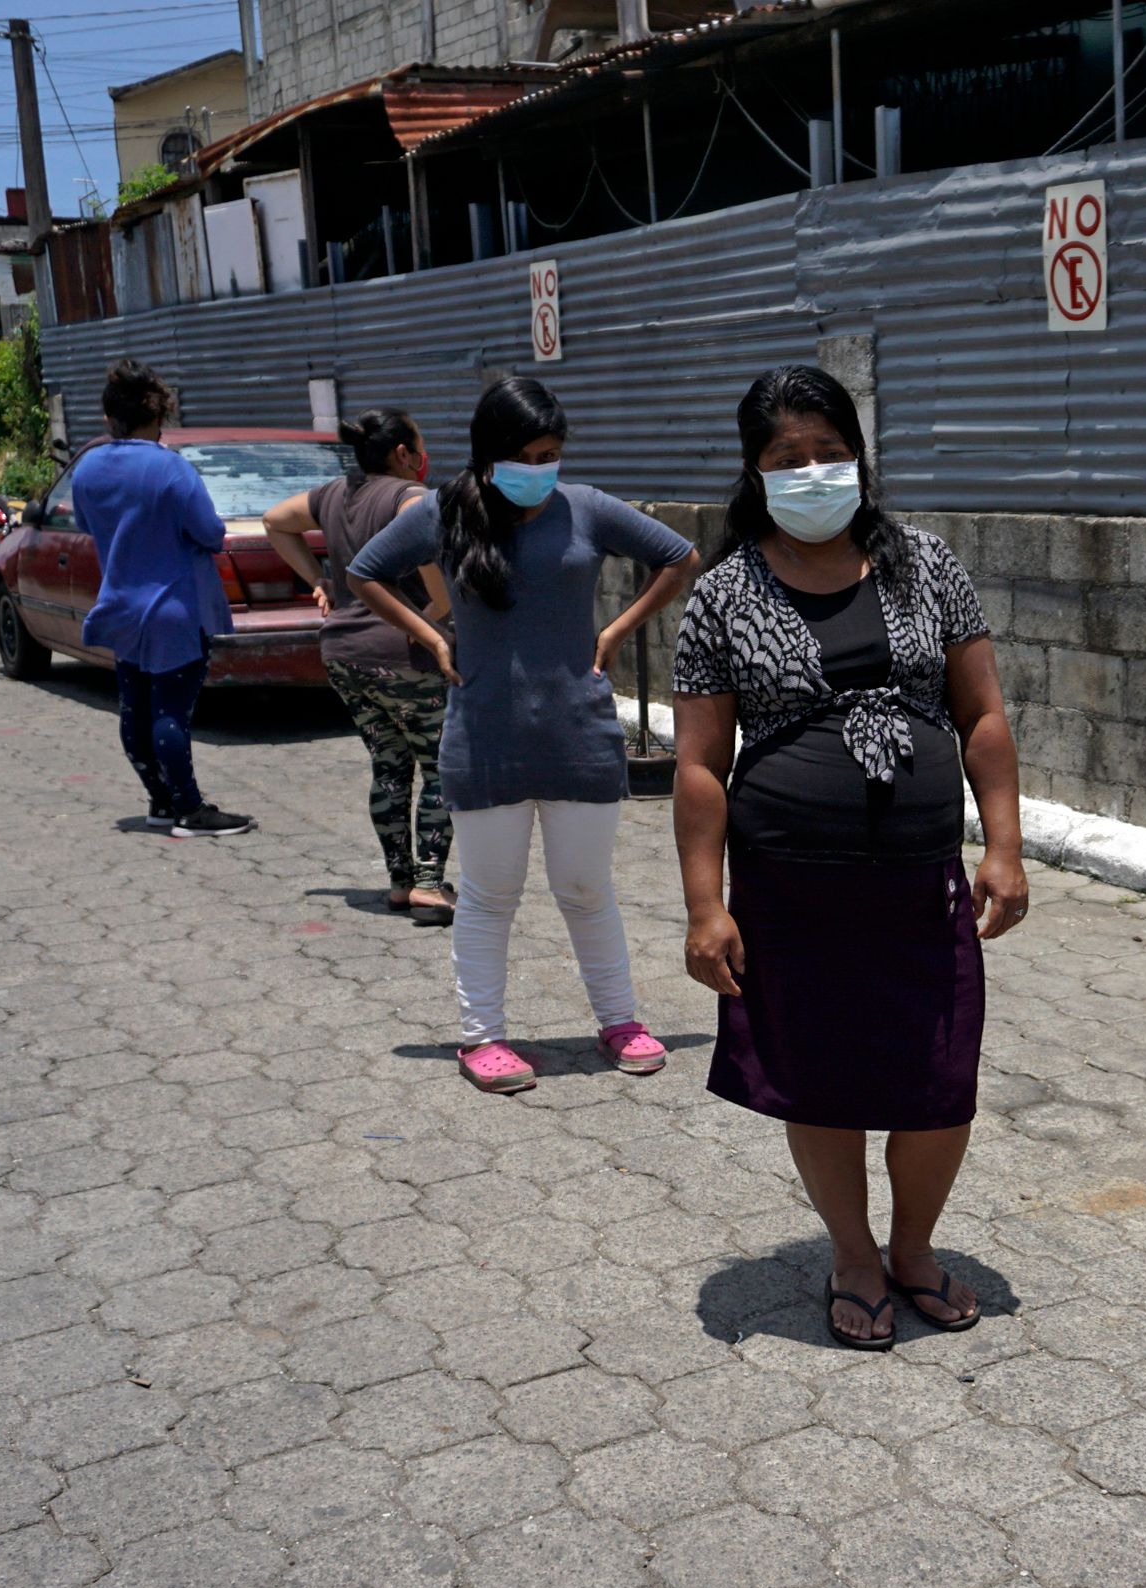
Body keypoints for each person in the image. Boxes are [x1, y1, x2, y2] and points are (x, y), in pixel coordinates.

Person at [668, 364, 1028, 1350]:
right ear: (755, 472)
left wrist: (1004, 844)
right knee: (819, 1078)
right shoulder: (723, 595)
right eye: (791, 458)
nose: (816, 472)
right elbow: (700, 766)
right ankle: (854, 1254)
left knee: (938, 1079)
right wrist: (706, 906)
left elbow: (983, 714)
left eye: (832, 452)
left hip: (920, 883)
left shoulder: (928, 567)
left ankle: (914, 1248)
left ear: (862, 457)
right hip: (791, 891)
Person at [346, 377, 698, 1093]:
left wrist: (619, 629)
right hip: (484, 737)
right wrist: (429, 637)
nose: (542, 467)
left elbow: (680, 557)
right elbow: (364, 573)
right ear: (491, 453)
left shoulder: (587, 508)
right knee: (488, 893)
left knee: (585, 888)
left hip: (579, 734)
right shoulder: (443, 512)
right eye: (529, 453)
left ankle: (620, 1020)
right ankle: (483, 1038)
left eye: (553, 453)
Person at [264, 410, 457, 919]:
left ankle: (399, 882)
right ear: (403, 454)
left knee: (389, 764)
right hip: (406, 656)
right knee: (442, 768)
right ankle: (431, 885)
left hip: (345, 657)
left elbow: (274, 522)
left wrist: (320, 580)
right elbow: (433, 571)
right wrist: (434, 618)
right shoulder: (409, 497)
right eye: (419, 445)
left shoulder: (332, 493)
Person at [66, 359, 255, 838]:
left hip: (121, 605)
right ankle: (191, 810)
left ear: (110, 418)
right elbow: (211, 532)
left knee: (135, 708)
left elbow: (86, 526)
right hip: (174, 607)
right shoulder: (170, 468)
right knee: (171, 711)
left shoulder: (87, 469)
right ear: (158, 418)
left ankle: (160, 801)